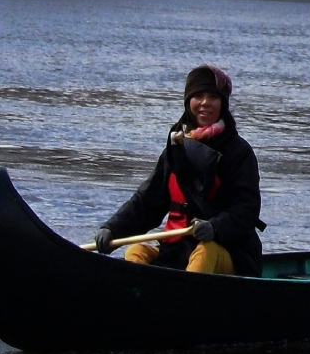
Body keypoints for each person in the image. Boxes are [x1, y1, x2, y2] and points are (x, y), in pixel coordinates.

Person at [92, 65, 263, 276]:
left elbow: (247, 209)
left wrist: (215, 228)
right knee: (135, 251)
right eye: (198, 96)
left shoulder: (239, 152)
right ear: (188, 101)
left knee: (205, 252)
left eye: (213, 97)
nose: (205, 103)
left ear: (223, 104)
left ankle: (185, 300)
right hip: (176, 252)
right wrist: (112, 229)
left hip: (228, 252)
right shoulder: (175, 149)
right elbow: (146, 202)